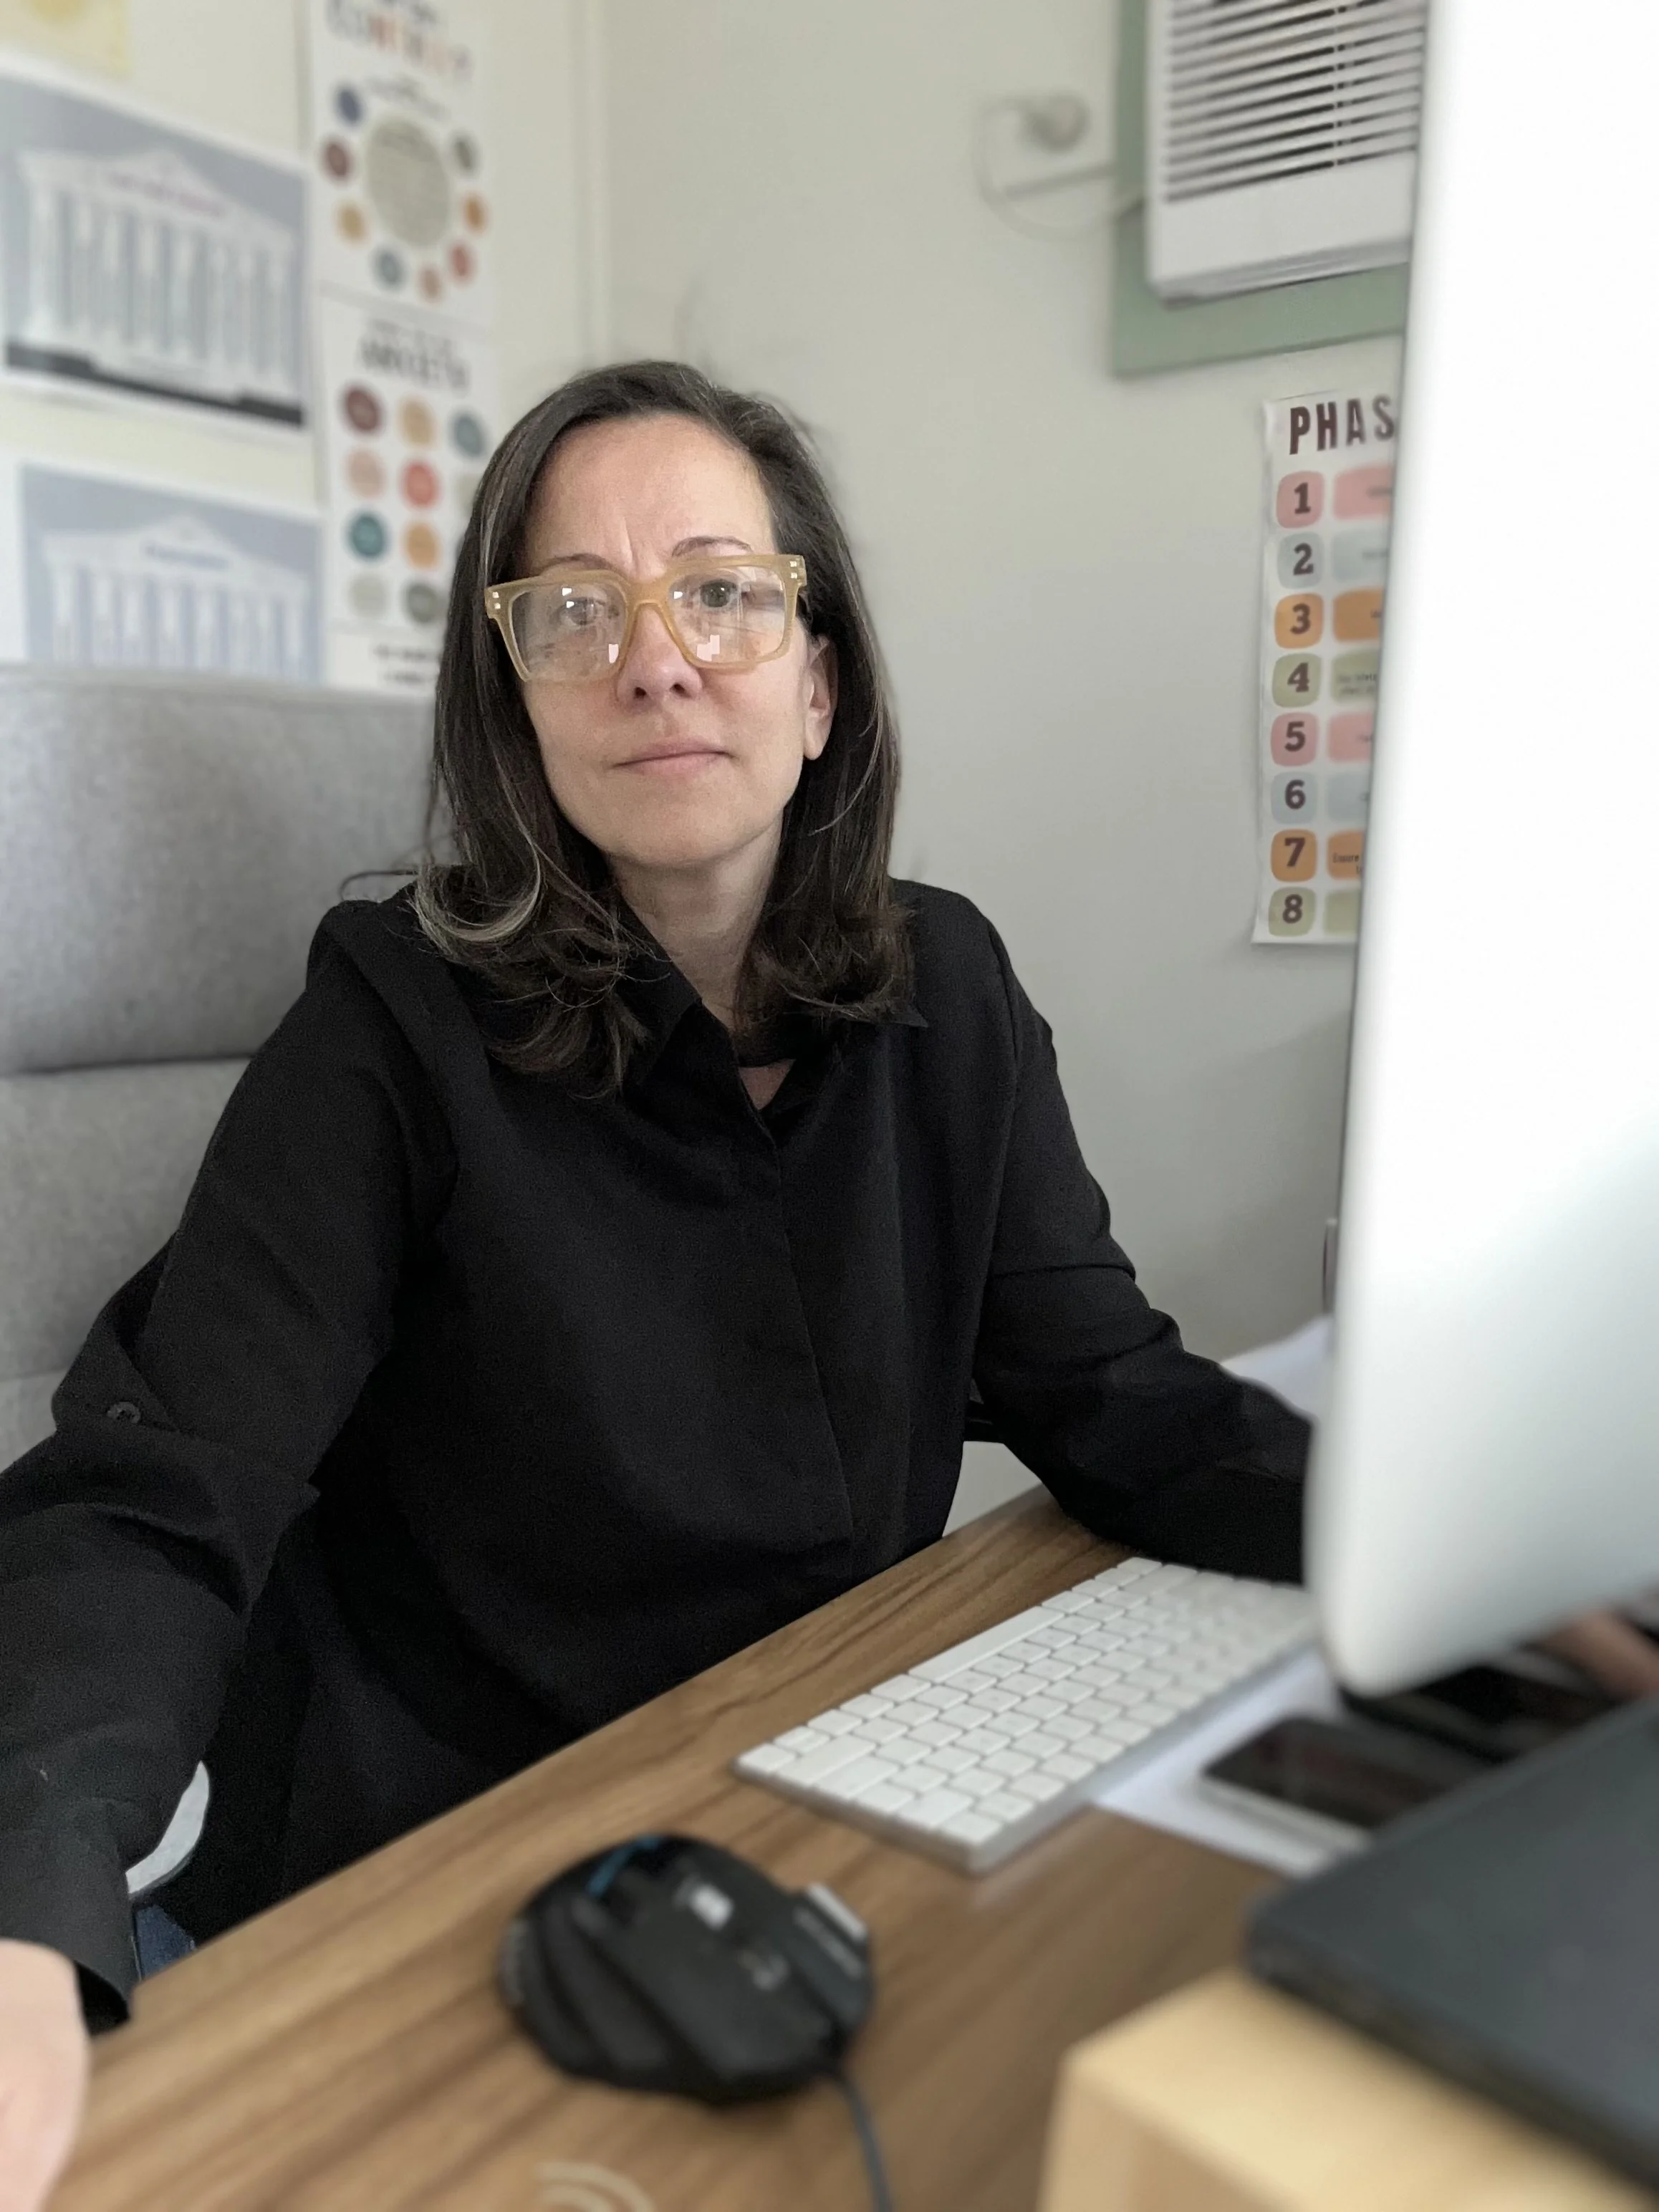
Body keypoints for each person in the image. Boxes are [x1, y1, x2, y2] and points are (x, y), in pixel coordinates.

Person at [1, 361, 1654, 2211]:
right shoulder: (391, 1026)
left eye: (721, 590)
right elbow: (156, 1492)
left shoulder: (944, 993)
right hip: (447, 1847)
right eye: (572, 614)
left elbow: (1111, 1395)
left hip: (816, 1786)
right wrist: (24, 1916)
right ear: (518, 703)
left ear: (819, 679)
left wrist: (1457, 1553)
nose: (656, 657)